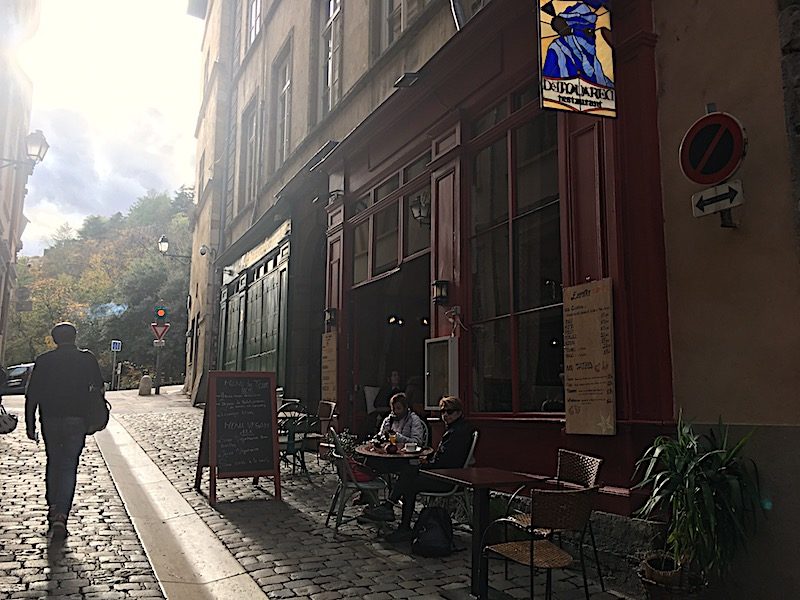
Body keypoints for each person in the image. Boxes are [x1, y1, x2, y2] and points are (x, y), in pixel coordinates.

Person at [25, 322, 103, 539]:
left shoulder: (44, 361)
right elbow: (98, 387)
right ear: (75, 337)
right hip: (77, 419)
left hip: (49, 418)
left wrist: (30, 425)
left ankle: (52, 506)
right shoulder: (86, 359)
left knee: (53, 461)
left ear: (55, 339)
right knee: (69, 465)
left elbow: (32, 394)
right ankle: (61, 514)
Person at [361, 396, 475, 542]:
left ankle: (398, 520)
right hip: (445, 472)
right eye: (442, 412)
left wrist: (426, 463)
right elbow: (444, 457)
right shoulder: (455, 429)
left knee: (410, 478)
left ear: (459, 412)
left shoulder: (457, 433)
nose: (445, 415)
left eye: (450, 411)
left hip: (448, 478)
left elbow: (445, 461)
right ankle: (389, 510)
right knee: (408, 471)